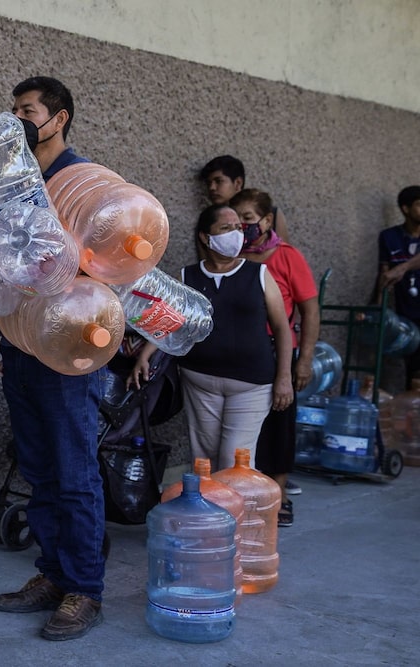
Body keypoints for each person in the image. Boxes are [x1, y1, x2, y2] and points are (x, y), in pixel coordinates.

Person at [0, 76, 106, 642]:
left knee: (74, 468)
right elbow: (8, 261)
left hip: (69, 345)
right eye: (12, 110)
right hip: (21, 340)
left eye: (26, 111)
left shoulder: (83, 183)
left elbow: (108, 266)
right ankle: (52, 575)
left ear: (58, 118)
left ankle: (84, 589)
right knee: (38, 467)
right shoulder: (14, 182)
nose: (17, 120)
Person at [131, 204, 294, 472]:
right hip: (200, 382)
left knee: (235, 462)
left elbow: (282, 329)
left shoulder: (259, 274)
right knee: (204, 460)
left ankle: (234, 514)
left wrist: (284, 378)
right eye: (226, 228)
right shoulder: (187, 276)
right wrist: (145, 356)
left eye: (239, 228)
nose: (236, 233)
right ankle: (209, 513)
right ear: (206, 237)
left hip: (251, 385)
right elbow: (169, 321)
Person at [232, 188, 319, 526]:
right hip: (240, 353)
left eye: (249, 220)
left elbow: (310, 311)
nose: (242, 227)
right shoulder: (232, 257)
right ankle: (244, 495)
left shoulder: (286, 256)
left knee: (279, 425)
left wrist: (304, 360)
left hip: (277, 350)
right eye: (236, 220)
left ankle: (278, 496)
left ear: (267, 221)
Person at [197, 156, 290, 258]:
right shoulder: (208, 219)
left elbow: (284, 256)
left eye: (218, 181)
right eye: (208, 183)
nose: (212, 188)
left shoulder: (270, 214)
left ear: (238, 183)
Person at [376, 186, 420, 388]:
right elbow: (384, 274)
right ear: (405, 208)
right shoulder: (389, 236)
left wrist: (403, 267)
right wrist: (378, 308)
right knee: (409, 370)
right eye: (419, 205)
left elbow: (397, 270)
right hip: (406, 315)